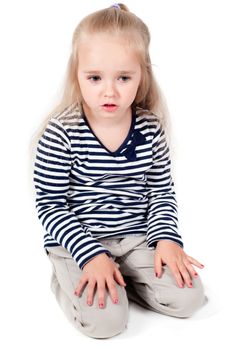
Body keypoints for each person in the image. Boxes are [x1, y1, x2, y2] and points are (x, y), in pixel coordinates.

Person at [33, 3, 207, 339]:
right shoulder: (61, 133)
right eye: (95, 78)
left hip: (135, 236)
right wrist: (92, 255)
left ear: (142, 76)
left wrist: (167, 239)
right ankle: (67, 278)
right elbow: (50, 206)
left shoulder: (150, 128)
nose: (109, 90)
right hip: (77, 240)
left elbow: (160, 191)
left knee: (189, 298)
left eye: (123, 77)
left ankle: (125, 278)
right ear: (77, 74)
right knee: (106, 324)